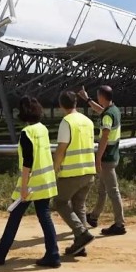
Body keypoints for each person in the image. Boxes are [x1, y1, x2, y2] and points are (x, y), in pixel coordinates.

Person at [0, 96, 61, 268]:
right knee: (44, 217)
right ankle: (53, 254)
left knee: (15, 216)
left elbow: (28, 163)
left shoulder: (27, 133)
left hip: (32, 184)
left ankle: (0, 252)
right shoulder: (42, 129)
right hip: (46, 180)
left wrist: (24, 187)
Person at [52, 91, 97, 257]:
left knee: (60, 202)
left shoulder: (67, 122)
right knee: (79, 206)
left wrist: (55, 169)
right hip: (88, 171)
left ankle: (81, 233)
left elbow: (61, 149)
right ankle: (80, 245)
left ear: (61, 105)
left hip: (72, 172)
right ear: (76, 103)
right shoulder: (87, 121)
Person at [78, 85, 127, 235]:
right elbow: (100, 110)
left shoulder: (107, 116)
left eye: (97, 96)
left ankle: (120, 224)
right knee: (102, 190)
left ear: (101, 97)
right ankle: (93, 217)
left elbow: (104, 138)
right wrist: (87, 99)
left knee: (112, 191)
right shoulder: (114, 110)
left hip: (107, 158)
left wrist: (97, 159)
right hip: (113, 156)